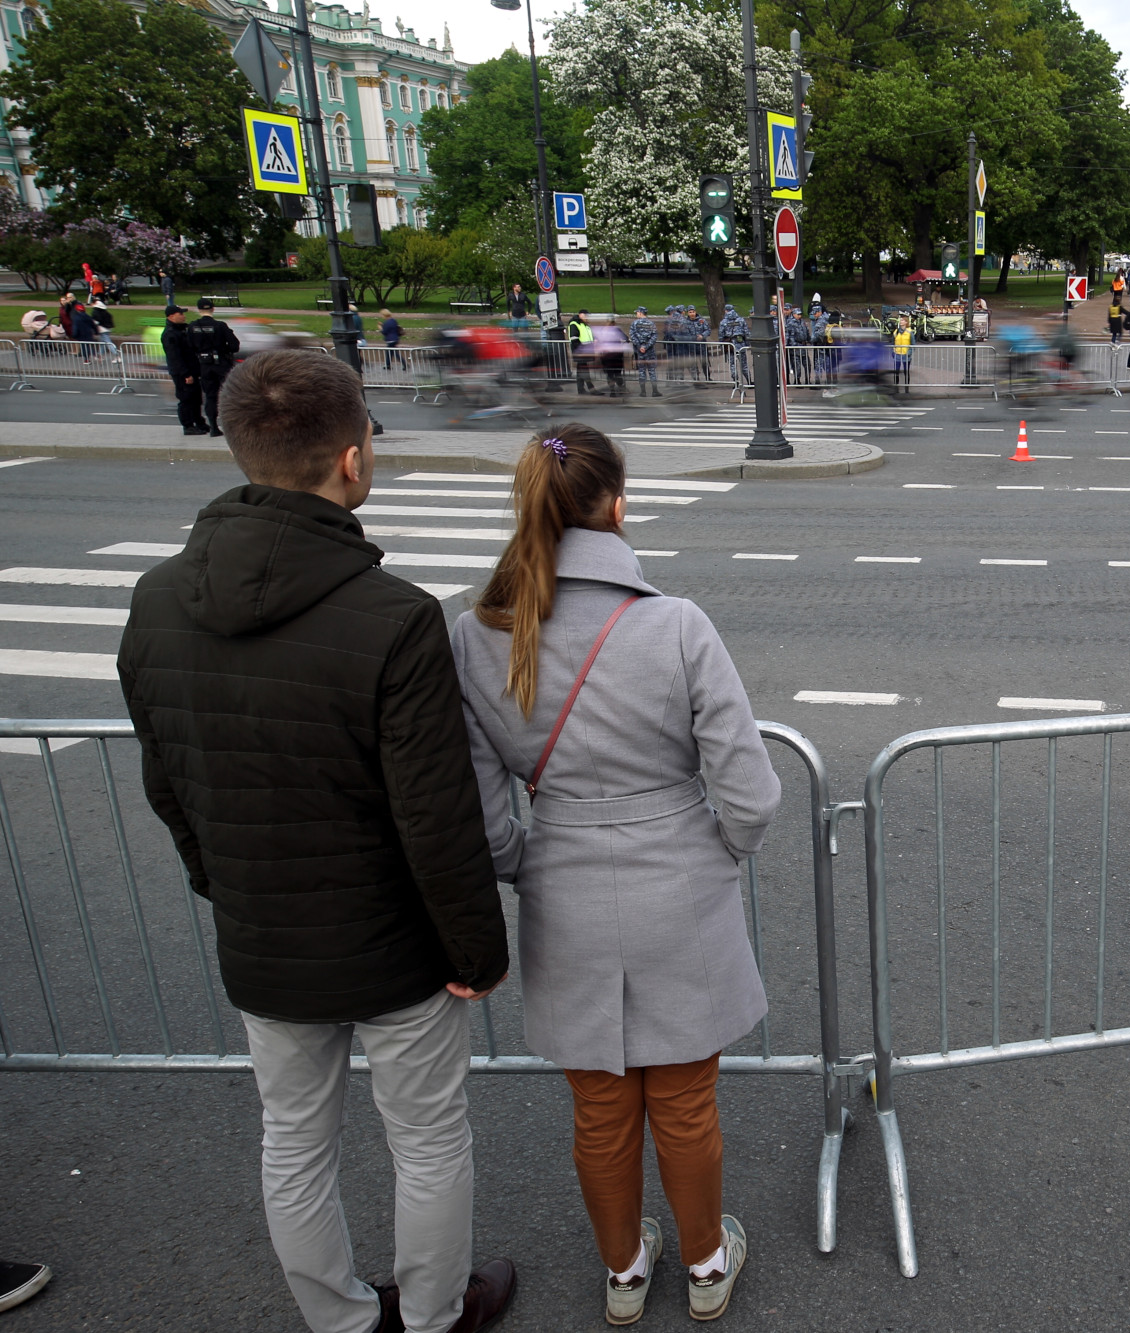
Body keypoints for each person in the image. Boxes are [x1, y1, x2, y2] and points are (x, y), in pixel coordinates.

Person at [115, 349, 517, 1333]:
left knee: (292, 1138)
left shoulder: (157, 601)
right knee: (424, 1138)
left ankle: (338, 1320)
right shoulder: (394, 617)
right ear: (350, 457)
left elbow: (167, 779)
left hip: (263, 934)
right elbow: (433, 812)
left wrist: (224, 885)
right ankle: (430, 1316)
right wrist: (475, 947)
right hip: (392, 945)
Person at [453, 425, 776, 1325]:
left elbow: (484, 818)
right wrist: (717, 847)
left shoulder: (479, 636)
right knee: (684, 1100)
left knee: (599, 1108)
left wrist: (533, 862)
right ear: (617, 504)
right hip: (681, 882)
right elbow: (749, 792)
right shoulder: (675, 625)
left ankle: (625, 1270)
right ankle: (708, 1262)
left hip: (565, 889)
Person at [189, 299, 243, 439]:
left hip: (204, 366)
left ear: (199, 309)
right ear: (213, 309)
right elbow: (234, 346)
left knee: (210, 396)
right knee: (229, 394)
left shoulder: (193, 327)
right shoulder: (220, 326)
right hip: (221, 364)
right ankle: (231, 426)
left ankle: (213, 426)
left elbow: (190, 347)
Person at [160, 305, 206, 435]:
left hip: (192, 370)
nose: (183, 316)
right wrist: (186, 374)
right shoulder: (170, 334)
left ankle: (199, 422)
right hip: (183, 373)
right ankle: (188, 426)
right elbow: (175, 357)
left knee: (196, 398)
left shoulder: (181, 330)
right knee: (186, 399)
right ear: (171, 316)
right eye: (180, 314)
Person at [630, 306, 660, 397]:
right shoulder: (651, 323)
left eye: (637, 312)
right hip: (650, 351)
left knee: (642, 371)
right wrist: (646, 346)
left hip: (640, 352)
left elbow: (632, 336)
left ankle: (643, 392)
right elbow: (654, 336)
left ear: (640, 312)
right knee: (652, 371)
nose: (636, 314)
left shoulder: (634, 324)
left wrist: (640, 347)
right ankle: (655, 391)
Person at [568, 309, 598, 394]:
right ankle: (591, 388)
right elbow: (574, 340)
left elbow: (590, 335)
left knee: (581, 371)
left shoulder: (584, 325)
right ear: (581, 315)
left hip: (584, 351)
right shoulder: (574, 324)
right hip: (581, 352)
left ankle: (581, 389)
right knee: (584, 371)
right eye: (586, 316)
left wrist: (595, 339)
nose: (588, 318)